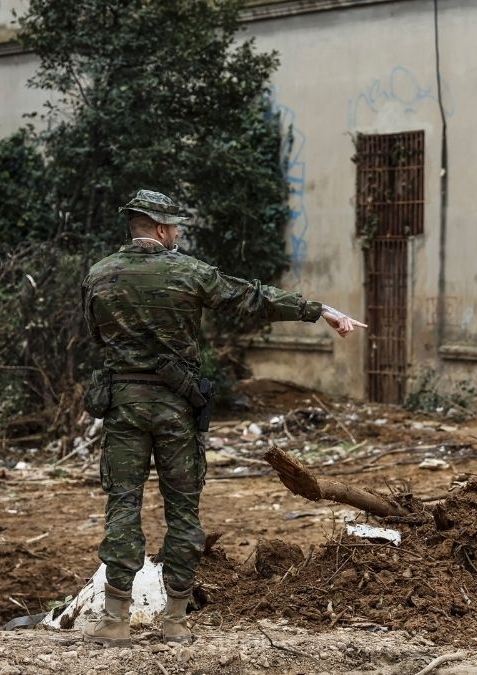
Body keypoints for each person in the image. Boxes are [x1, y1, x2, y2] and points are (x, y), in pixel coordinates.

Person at [80, 190, 365, 646]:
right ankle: (174, 621)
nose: (175, 234)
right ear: (158, 228)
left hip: (123, 406)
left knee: (122, 507)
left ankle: (115, 620)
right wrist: (318, 310)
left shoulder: (99, 274)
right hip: (176, 406)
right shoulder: (188, 272)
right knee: (184, 513)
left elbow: (97, 335)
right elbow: (249, 298)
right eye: (172, 226)